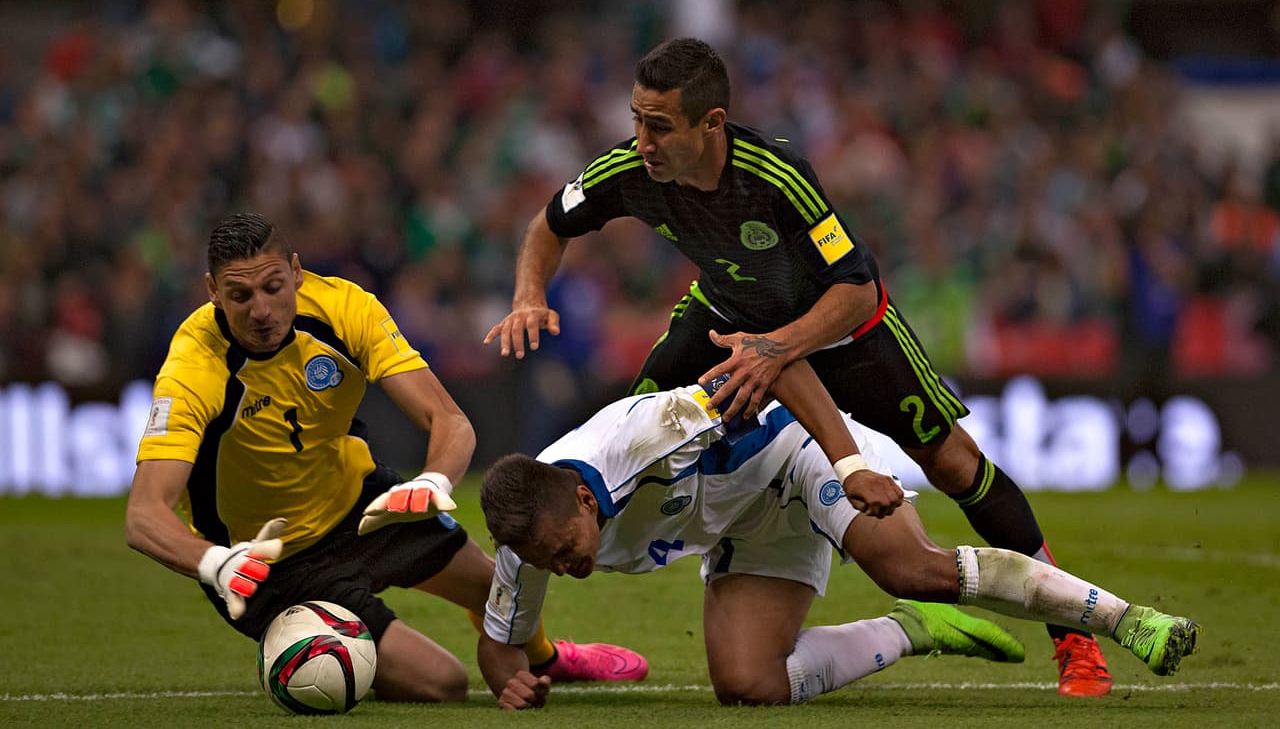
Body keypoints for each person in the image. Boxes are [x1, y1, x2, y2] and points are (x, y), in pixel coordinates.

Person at [484, 36, 1112, 695]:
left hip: (843, 331)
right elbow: (548, 224)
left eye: (660, 127)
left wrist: (779, 348)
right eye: (637, 121)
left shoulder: (775, 176)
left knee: (953, 461)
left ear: (711, 123)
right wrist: (528, 295)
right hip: (724, 316)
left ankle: (1075, 636)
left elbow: (857, 289)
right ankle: (741, 529)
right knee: (643, 419)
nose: (642, 141)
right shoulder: (627, 170)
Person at [125, 212, 647, 705]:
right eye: (240, 296)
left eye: (273, 287)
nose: (260, 310)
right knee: (444, 683)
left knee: (504, 594)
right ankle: (314, 649)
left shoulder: (345, 309)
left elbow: (450, 422)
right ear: (213, 291)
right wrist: (214, 563)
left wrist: (434, 481)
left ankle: (549, 659)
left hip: (362, 509)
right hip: (268, 564)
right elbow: (145, 514)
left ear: (297, 273)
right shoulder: (193, 368)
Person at [474, 364, 1200, 709]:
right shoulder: (527, 533)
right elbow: (499, 641)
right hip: (744, 525)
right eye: (546, 561)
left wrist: (849, 463)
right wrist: (511, 683)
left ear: (582, 496)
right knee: (748, 685)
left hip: (795, 452)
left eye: (563, 550)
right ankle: (914, 630)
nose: (562, 567)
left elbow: (779, 370)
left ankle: (1126, 620)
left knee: (908, 566)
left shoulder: (644, 434)